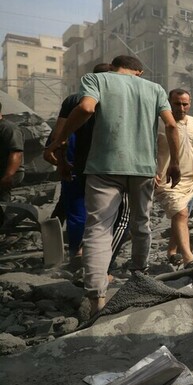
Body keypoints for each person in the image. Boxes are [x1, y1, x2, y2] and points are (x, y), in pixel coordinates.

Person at [43, 55, 180, 317]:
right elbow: (172, 125)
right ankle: (139, 276)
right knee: (141, 224)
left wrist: (60, 140)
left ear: (115, 67)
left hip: (103, 167)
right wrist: (174, 163)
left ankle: (97, 299)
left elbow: (86, 108)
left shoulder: (96, 80)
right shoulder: (155, 88)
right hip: (142, 168)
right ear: (139, 72)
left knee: (98, 229)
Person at [47, 63, 132, 269]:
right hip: (108, 165)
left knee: (76, 209)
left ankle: (77, 253)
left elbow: (59, 135)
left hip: (78, 162)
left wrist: (61, 160)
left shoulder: (74, 100)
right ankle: (95, 256)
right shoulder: (120, 99)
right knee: (110, 212)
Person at [154, 88, 193, 268]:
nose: (181, 108)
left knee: (181, 216)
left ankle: (172, 252)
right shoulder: (158, 124)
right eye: (177, 104)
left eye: (185, 104)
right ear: (169, 103)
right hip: (168, 181)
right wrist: (151, 171)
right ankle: (189, 258)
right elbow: (147, 150)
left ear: (190, 104)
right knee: (181, 213)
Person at [0, 101, 25, 204]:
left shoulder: (9, 128)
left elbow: (16, 152)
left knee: (2, 201)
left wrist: (9, 175)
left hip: (8, 171)